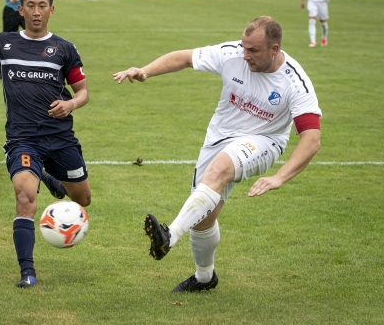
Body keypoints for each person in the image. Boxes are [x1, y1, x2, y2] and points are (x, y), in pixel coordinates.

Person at [113, 16, 321, 293]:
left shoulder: (295, 82)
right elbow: (184, 57)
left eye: (253, 51)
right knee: (202, 218)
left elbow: (312, 138)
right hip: (219, 137)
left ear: (274, 49)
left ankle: (169, 236)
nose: (244, 55)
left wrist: (279, 177)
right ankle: (204, 277)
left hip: (264, 141)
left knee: (219, 169)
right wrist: (145, 71)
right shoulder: (232, 53)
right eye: (244, 47)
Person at [0, 0, 92, 288]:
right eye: (30, 5)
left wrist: (71, 105)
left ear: (51, 10)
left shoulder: (64, 48)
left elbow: (83, 92)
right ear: (21, 8)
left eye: (42, 5)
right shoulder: (4, 43)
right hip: (23, 140)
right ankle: (27, 272)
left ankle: (49, 177)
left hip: (60, 140)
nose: (36, 11)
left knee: (82, 199)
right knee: (25, 197)